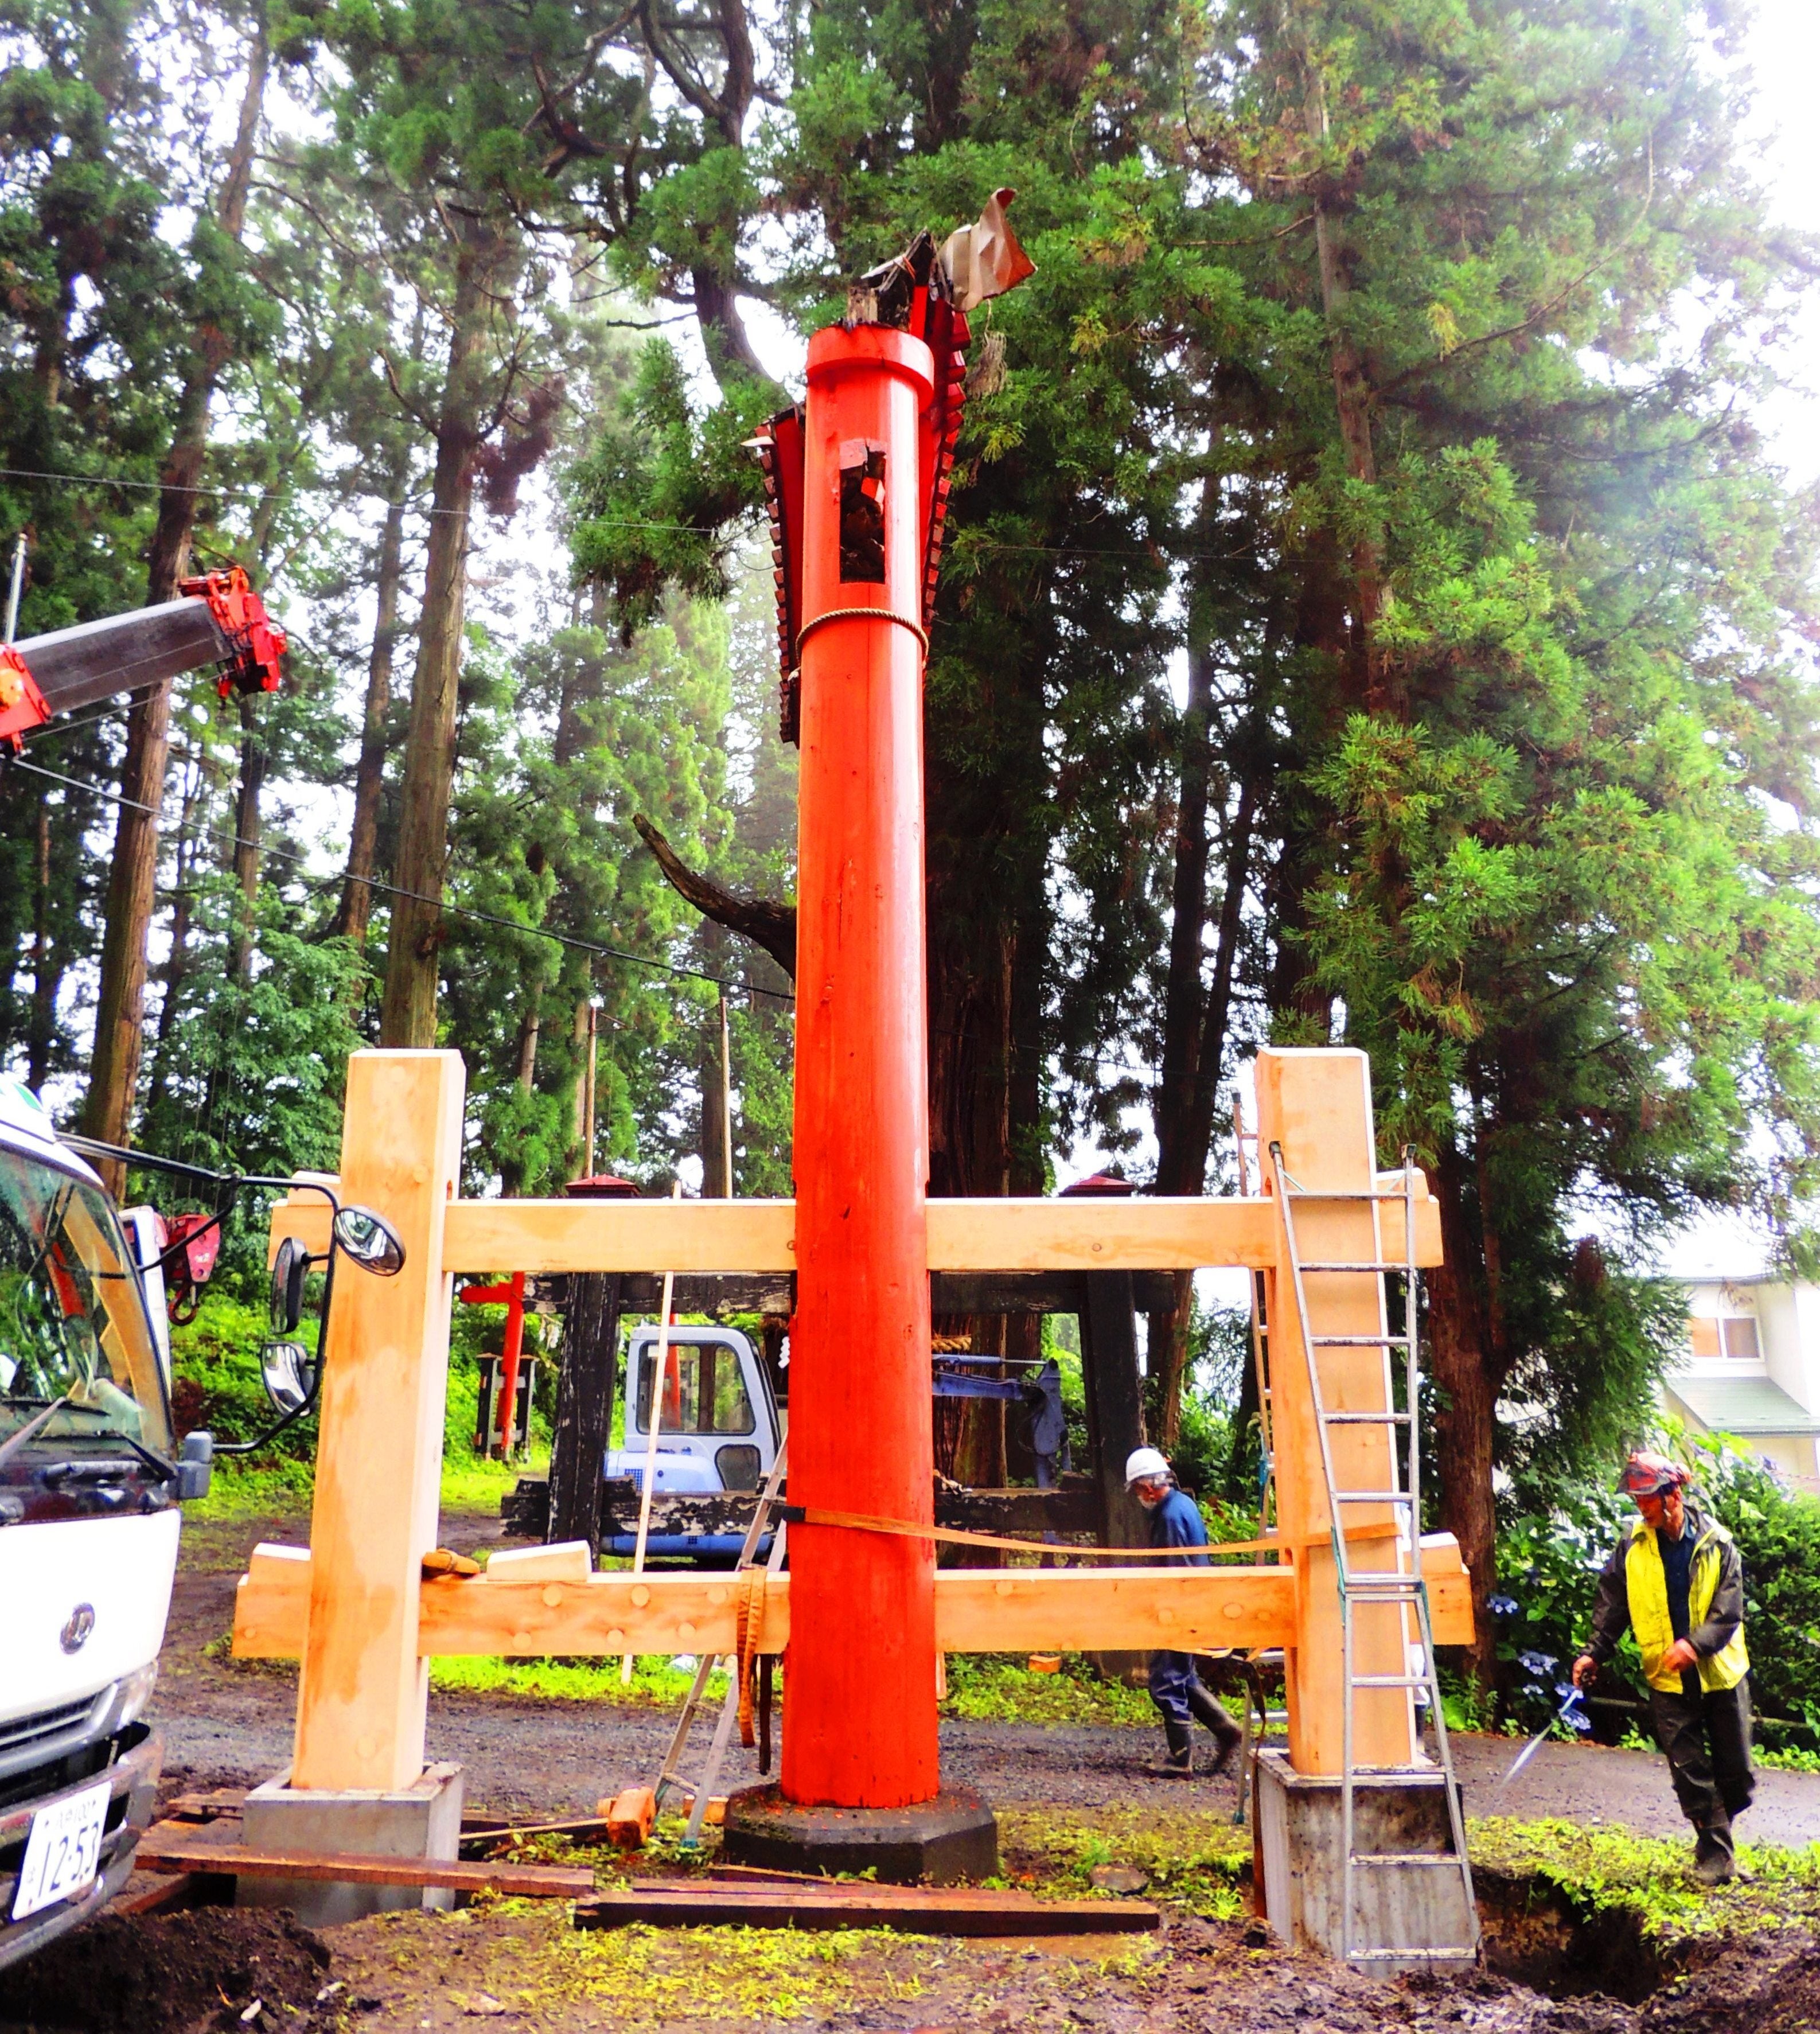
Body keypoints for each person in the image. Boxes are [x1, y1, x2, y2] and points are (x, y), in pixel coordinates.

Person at [1572, 1451, 1754, 1883]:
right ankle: (1717, 1858)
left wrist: (1693, 1646)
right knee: (1689, 1772)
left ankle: (1717, 1848)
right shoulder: (1632, 1546)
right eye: (1636, 1499)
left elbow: (1728, 1611)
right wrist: (1594, 1652)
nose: (1640, 1506)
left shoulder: (1717, 1544)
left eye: (1647, 1498)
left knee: (1737, 1776)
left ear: (1672, 1495)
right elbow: (1613, 1604)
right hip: (1667, 1677)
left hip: (1721, 1673)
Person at [1127, 1445, 1243, 1778]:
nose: (1138, 1497)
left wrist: (1168, 1614)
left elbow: (1177, 1571)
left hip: (1180, 1609)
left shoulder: (1169, 1517)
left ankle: (1180, 1761)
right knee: (1182, 1676)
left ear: (1148, 1487)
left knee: (1165, 1682)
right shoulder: (1183, 1504)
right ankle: (1225, 1728)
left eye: (1137, 1490)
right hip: (1192, 1605)